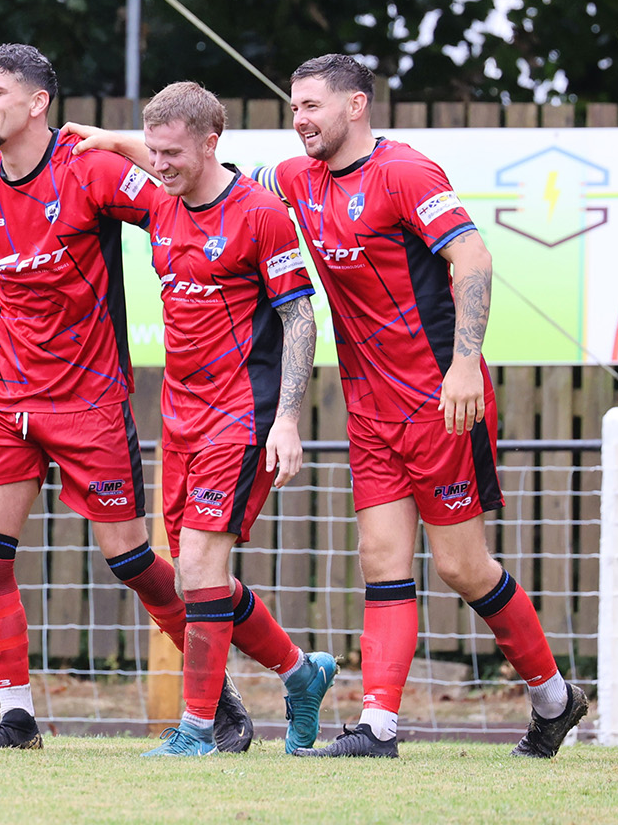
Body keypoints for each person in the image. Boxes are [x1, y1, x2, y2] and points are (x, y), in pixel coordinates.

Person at [68, 54, 586, 759]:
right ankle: (377, 728)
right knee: (381, 560)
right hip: (369, 408)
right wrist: (113, 139)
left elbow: (473, 256)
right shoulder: (293, 177)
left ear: (356, 105)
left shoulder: (406, 173)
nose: (300, 120)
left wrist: (466, 363)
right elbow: (202, 165)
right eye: (294, 107)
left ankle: (553, 698)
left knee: (462, 567)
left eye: (312, 106)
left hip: (438, 401)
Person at [0, 45, 251, 751]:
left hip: (90, 400)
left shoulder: (89, 167)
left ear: (37, 103)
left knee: (132, 563)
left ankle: (216, 698)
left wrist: (123, 144)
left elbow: (188, 196)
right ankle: (16, 716)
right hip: (6, 402)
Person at [96, 82, 339, 757]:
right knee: (198, 578)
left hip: (242, 415)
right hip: (180, 418)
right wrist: (105, 139)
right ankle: (301, 674)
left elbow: (299, 317)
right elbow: (139, 156)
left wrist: (287, 420)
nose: (159, 164)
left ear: (211, 145)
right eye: (153, 152)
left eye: (172, 153)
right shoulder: (160, 202)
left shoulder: (260, 213)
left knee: (202, 565)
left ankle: (198, 731)